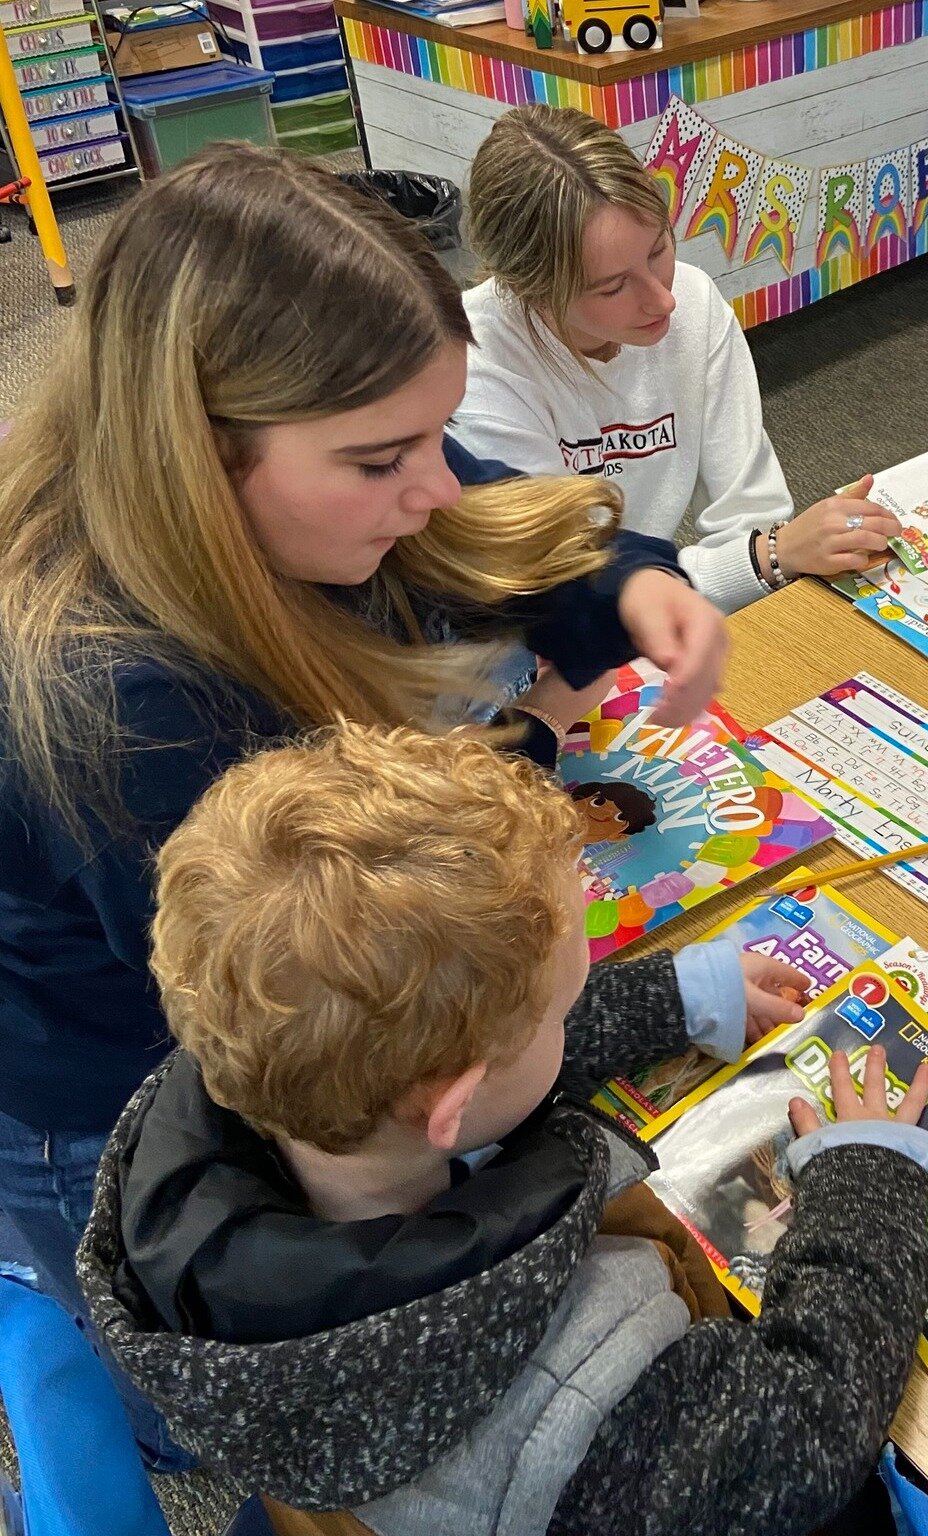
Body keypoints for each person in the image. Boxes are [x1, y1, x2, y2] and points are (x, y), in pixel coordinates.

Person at [0, 142, 729, 1466]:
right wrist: (514, 755)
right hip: (109, 1076)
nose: (436, 480)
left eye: (434, 430)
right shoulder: (116, 699)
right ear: (206, 461)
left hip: (279, 994)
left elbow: (488, 525)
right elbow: (324, 990)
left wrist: (625, 584)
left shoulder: (330, 465)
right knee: (212, 1391)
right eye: (387, 455)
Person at [79, 722, 928, 1535]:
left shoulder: (234, 1081)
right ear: (453, 1109)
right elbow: (804, 1435)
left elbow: (439, 1040)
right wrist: (865, 1178)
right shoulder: (568, 1399)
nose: (571, 1013)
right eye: (565, 1005)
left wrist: (675, 996)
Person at [451, 104, 902, 614]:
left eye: (658, 248)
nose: (663, 301)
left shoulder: (693, 298)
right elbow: (564, 591)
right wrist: (770, 557)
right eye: (613, 286)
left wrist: (780, 551)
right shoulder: (471, 365)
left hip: (655, 608)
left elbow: (749, 509)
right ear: (529, 289)